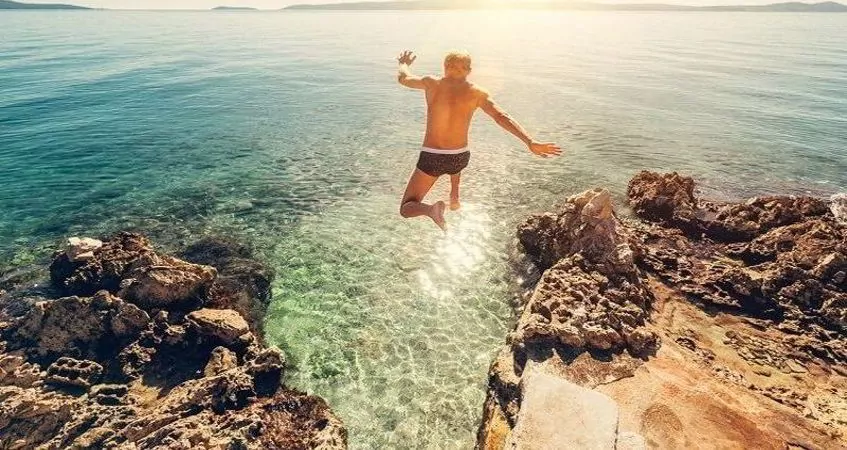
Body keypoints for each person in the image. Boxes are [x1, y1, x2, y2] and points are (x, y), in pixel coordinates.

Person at [396, 50, 561, 231]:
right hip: (460, 157)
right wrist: (529, 141)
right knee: (454, 164)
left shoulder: (431, 83)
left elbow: (403, 78)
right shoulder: (477, 92)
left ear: (445, 68)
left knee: (406, 208)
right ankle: (455, 196)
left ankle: (431, 210)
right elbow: (501, 116)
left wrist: (403, 63)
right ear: (468, 70)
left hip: (433, 157)